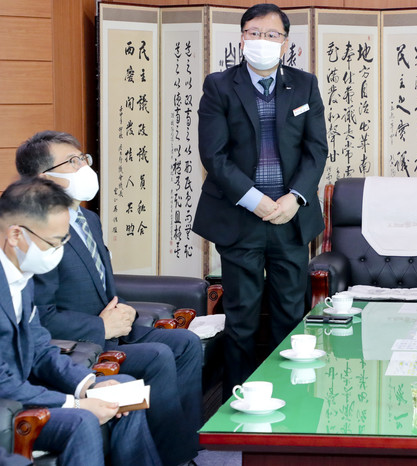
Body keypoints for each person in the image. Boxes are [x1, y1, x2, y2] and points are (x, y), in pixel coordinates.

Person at [15, 131, 201, 466]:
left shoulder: (89, 219)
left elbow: (102, 286)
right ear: (44, 177)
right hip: (79, 342)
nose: (84, 166)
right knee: (157, 356)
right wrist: (100, 327)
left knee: (185, 342)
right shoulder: (33, 235)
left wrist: (124, 312)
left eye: (83, 158)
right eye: (72, 162)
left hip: (112, 330)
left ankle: (180, 451)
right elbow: (41, 319)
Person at [193, 3, 327, 394]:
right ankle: (238, 403)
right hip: (240, 218)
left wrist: (294, 198)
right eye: (254, 33)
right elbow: (214, 155)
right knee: (241, 318)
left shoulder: (304, 84)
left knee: (290, 314)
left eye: (271, 35)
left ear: (285, 43)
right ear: (242, 39)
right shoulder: (219, 86)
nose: (262, 41)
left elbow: (316, 150)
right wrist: (255, 200)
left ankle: (291, 397)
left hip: (290, 218)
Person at [0, 177, 161, 466]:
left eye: (65, 240)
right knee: (82, 419)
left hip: (21, 393)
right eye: (54, 242)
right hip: (5, 405)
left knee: (124, 391)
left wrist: (88, 385)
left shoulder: (20, 275)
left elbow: (40, 348)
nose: (59, 250)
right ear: (15, 235)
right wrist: (76, 403)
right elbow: (3, 383)